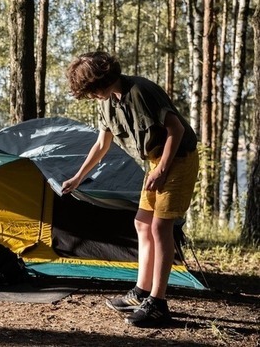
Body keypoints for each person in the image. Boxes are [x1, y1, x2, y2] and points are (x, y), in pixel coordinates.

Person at [61, 52, 198, 327]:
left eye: (90, 90)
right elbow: (101, 145)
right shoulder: (107, 103)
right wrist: (77, 178)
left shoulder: (141, 91)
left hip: (178, 158)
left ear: (100, 81)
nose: (90, 96)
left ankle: (158, 303)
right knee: (142, 224)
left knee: (160, 227)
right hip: (157, 161)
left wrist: (161, 170)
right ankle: (141, 292)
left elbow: (176, 130)